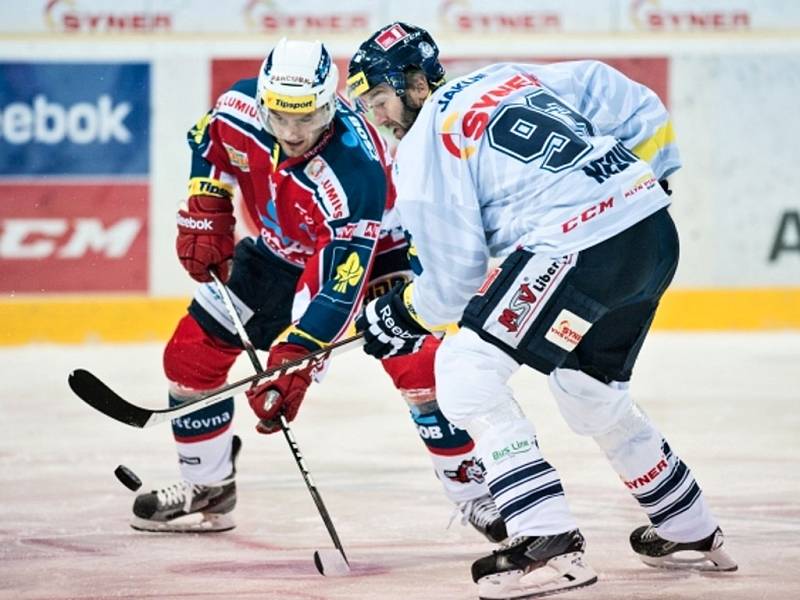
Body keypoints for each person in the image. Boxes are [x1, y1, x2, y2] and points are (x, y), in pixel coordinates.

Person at [349, 22, 737, 599]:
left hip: (579, 246)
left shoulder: (425, 141)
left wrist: (400, 313)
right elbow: (627, 98)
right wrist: (639, 187)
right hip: (652, 233)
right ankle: (689, 526)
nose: (378, 116)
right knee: (590, 391)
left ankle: (547, 544)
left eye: (379, 99)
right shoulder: (505, 76)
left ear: (411, 82)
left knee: (466, 372)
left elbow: (453, 286)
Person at [130, 38, 506, 543]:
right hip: (279, 251)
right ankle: (209, 485)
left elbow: (338, 288)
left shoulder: (355, 173)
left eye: (307, 118)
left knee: (419, 370)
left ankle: (477, 495)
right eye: (280, 117)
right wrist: (207, 203)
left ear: (330, 105)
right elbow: (206, 139)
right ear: (263, 102)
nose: (292, 132)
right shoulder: (238, 109)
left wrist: (297, 359)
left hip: (380, 251)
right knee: (188, 357)